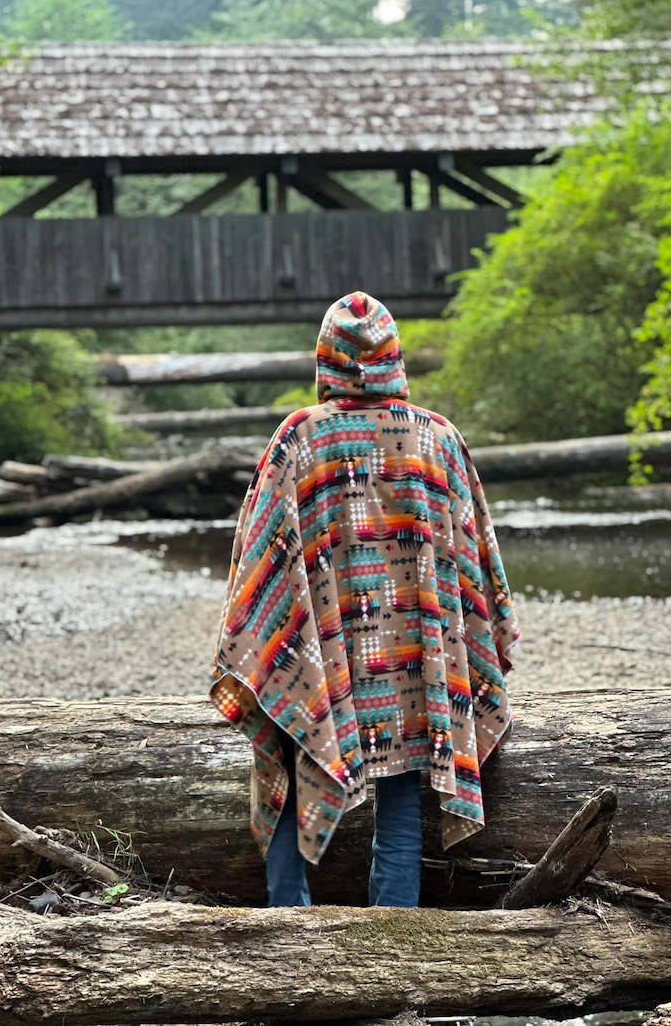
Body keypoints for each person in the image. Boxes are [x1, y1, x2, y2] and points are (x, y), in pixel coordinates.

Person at [210, 291, 519, 908]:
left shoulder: (299, 438)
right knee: (404, 792)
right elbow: (477, 565)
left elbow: (259, 557)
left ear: (326, 358)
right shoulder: (437, 438)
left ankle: (287, 929)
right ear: (393, 357)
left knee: (298, 737)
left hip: (320, 649)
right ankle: (390, 942)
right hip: (415, 654)